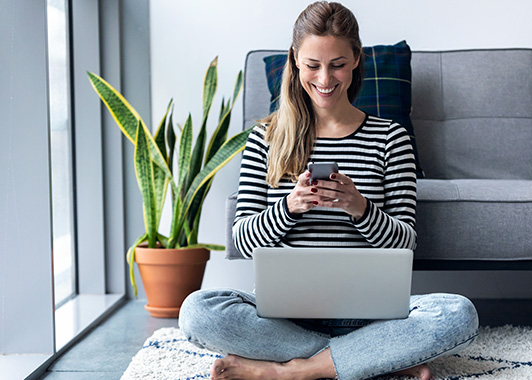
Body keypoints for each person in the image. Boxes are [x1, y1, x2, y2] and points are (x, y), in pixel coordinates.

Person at [179, 2, 478, 380]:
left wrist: (361, 208)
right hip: (284, 316)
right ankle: (372, 359)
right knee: (196, 311)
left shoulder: (390, 138)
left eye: (337, 64)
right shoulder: (266, 139)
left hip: (368, 316)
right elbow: (241, 239)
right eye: (312, 65)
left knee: (458, 314)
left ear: (356, 59)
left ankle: (293, 371)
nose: (325, 79)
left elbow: (405, 242)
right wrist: (289, 207)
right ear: (295, 61)